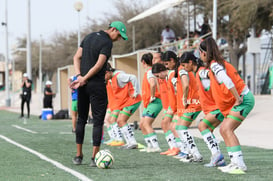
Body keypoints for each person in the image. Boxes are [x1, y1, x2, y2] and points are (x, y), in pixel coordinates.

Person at [70, 21, 128, 167]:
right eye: (119, 35)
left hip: (82, 84)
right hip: (96, 85)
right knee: (97, 121)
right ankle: (94, 158)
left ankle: (78, 156)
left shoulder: (88, 37)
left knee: (81, 119)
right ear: (113, 29)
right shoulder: (107, 42)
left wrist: (79, 76)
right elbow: (99, 65)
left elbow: (76, 57)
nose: (118, 38)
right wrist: (85, 78)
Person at [199, 37, 255, 174]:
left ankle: (239, 164)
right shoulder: (217, 64)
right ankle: (234, 162)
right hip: (243, 97)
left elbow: (228, 81)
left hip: (244, 99)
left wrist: (237, 99)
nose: (199, 56)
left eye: (200, 53)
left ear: (204, 53)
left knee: (226, 128)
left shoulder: (215, 65)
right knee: (224, 129)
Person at [180, 52, 226, 167]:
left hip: (216, 107)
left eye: (185, 66)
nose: (185, 69)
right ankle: (218, 157)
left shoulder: (201, 72)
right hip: (214, 107)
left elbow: (214, 81)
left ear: (190, 62)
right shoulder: (198, 73)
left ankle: (217, 155)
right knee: (208, 130)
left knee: (202, 126)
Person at [105, 63, 142, 149]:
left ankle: (132, 142)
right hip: (127, 102)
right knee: (119, 121)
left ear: (107, 72)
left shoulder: (119, 76)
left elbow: (133, 77)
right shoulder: (113, 77)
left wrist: (136, 92)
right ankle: (130, 142)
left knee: (120, 120)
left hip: (133, 101)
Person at [139, 53, 163, 153]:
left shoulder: (150, 72)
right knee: (142, 124)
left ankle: (156, 146)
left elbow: (153, 84)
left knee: (146, 123)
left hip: (155, 101)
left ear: (143, 62)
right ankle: (150, 145)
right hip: (149, 103)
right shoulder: (149, 72)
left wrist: (152, 96)